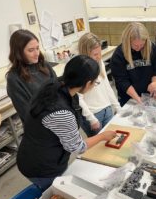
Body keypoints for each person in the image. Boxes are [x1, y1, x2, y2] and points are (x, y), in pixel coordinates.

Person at [17, 55, 116, 190]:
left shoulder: (54, 83)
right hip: (42, 166)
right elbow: (77, 148)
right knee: (53, 193)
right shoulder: (61, 112)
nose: (94, 85)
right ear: (87, 84)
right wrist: (103, 136)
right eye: (95, 83)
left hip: (35, 148)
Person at [6, 29, 57, 123]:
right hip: (41, 128)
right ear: (19, 52)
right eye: (31, 50)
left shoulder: (44, 65)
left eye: (37, 48)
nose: (37, 53)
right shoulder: (14, 78)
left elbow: (58, 92)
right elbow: (28, 113)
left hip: (59, 119)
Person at [110, 22, 156, 106]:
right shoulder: (119, 54)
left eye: (142, 45)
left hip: (149, 96)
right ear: (128, 41)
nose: (138, 48)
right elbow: (122, 81)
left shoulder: (152, 48)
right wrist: (138, 99)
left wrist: (154, 87)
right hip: (128, 98)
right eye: (135, 45)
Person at [78, 32, 121, 136]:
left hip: (107, 109)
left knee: (111, 140)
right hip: (93, 114)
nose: (99, 57)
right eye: (95, 54)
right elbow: (78, 97)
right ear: (86, 53)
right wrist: (91, 119)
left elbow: (107, 86)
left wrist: (117, 106)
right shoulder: (79, 68)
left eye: (100, 53)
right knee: (98, 147)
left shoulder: (99, 62)